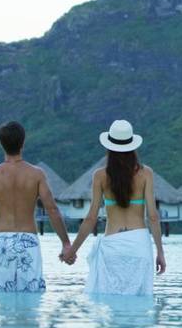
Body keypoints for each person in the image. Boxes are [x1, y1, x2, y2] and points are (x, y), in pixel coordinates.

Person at [62, 119, 166, 295]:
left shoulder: (100, 176)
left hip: (112, 245)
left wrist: (72, 251)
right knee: (139, 308)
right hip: (138, 244)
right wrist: (160, 252)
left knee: (111, 306)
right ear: (132, 146)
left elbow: (90, 218)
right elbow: (153, 216)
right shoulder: (146, 173)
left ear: (109, 146)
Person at [0, 121, 72, 292]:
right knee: (32, 297)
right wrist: (66, 243)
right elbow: (52, 210)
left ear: (1, 144)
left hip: (3, 242)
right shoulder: (36, 174)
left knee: (1, 299)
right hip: (28, 241)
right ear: (23, 143)